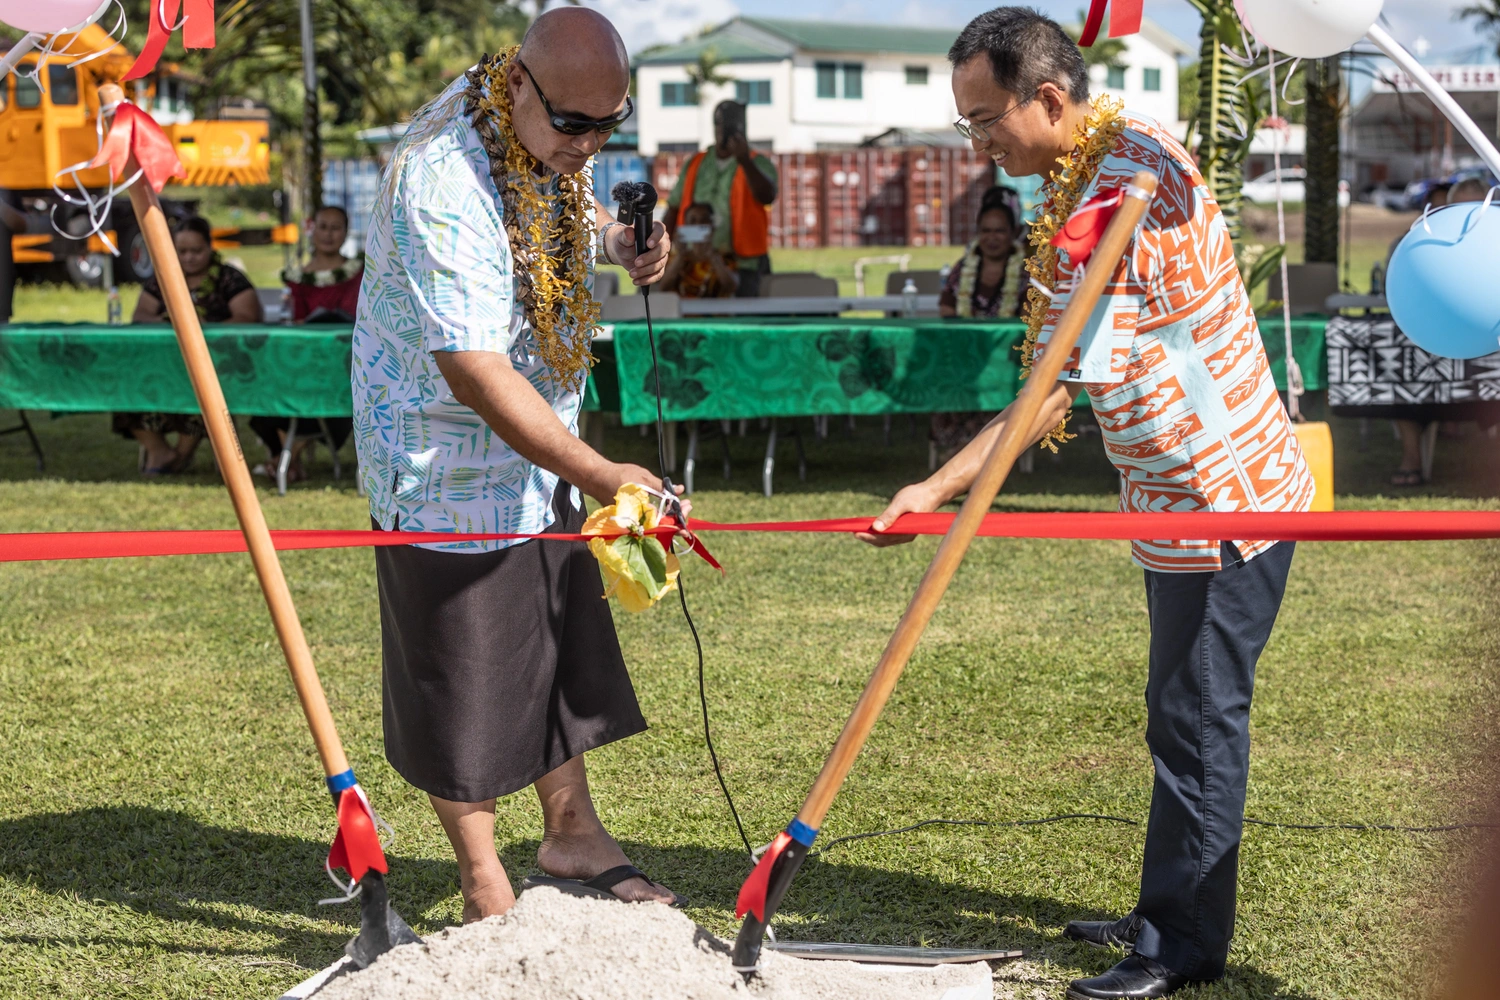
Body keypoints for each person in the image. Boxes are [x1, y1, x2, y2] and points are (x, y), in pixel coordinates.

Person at [860, 10, 1315, 998]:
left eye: (987, 122)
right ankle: (1167, 905)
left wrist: (938, 485)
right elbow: (1068, 375)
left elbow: (1051, 390)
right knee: (1174, 715)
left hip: (1224, 501)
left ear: (1051, 100)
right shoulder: (1093, 183)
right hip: (1164, 507)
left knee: (1197, 723)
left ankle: (1179, 945)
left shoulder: (1136, 174)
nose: (981, 147)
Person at [351, 8, 678, 923]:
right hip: (440, 459)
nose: (591, 141)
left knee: (553, 625)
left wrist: (621, 242)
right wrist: (604, 473)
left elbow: (556, 206)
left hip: (537, 448)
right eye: (575, 124)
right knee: (464, 663)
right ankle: (481, 872)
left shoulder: (536, 123)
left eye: (609, 123)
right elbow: (475, 371)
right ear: (522, 85)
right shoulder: (442, 176)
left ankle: (572, 833)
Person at [114, 215, 261, 474]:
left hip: (216, 365)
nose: (189, 258)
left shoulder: (229, 279)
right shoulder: (163, 279)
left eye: (197, 250)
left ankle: (181, 455)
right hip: (164, 363)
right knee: (127, 383)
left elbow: (247, 318)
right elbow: (141, 316)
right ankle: (160, 451)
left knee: (200, 387)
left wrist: (203, 329)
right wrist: (169, 323)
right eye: (182, 251)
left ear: (210, 247)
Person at [249, 204, 360, 483]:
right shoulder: (298, 278)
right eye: (323, 227)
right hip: (304, 361)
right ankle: (287, 459)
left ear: (346, 232)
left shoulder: (358, 272)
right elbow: (296, 320)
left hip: (344, 364)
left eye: (336, 228)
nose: (328, 234)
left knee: (324, 390)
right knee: (272, 385)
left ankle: (285, 460)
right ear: (312, 230)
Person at [931, 185, 1027, 463]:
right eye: (986, 231)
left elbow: (1030, 313)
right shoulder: (965, 266)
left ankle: (982, 454)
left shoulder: (1026, 269)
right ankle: (959, 452)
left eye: (999, 231)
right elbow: (947, 306)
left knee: (995, 383)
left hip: (1008, 358)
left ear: (1012, 234)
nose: (992, 238)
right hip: (964, 356)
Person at [664, 100, 777, 296]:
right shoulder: (696, 163)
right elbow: (673, 208)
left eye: (731, 124)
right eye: (720, 124)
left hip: (745, 264)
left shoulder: (757, 163)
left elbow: (767, 196)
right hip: (695, 262)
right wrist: (661, 253)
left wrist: (745, 162)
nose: (724, 130)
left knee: (743, 321)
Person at [660, 202, 738, 298]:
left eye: (704, 220)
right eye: (693, 221)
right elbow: (663, 287)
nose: (698, 224)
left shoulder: (726, 256)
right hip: (682, 312)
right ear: (686, 226)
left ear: (712, 226)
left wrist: (712, 256)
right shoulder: (675, 257)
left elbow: (731, 287)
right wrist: (680, 256)